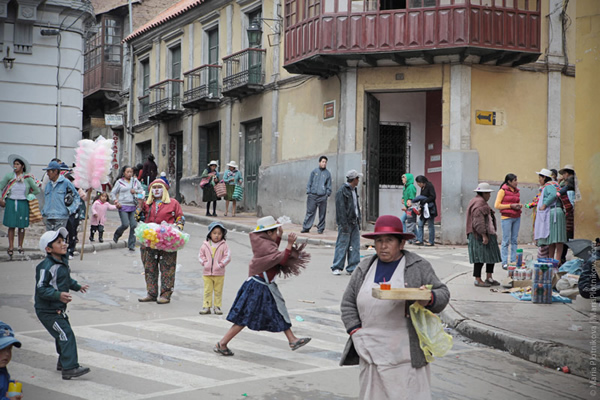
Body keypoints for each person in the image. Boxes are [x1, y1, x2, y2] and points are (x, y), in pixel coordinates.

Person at [340, 215, 450, 400]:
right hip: (371, 350)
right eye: (379, 241)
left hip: (406, 354)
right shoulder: (364, 267)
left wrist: (428, 297)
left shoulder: (418, 266)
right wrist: (356, 332)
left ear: (401, 244)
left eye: (389, 240)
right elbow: (347, 303)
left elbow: (443, 293)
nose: (383, 246)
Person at [214, 216, 311, 356]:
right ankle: (222, 343)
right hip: (257, 288)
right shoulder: (265, 245)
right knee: (243, 319)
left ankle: (292, 340)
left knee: (278, 310)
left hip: (262, 286)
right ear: (268, 233)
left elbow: (273, 251)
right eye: (273, 231)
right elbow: (281, 258)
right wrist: (289, 245)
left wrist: (279, 236)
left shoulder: (262, 242)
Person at [35, 228, 90, 380]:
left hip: (57, 309)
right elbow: (41, 289)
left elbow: (65, 280)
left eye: (63, 241)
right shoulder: (46, 267)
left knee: (63, 334)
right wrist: (58, 295)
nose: (64, 244)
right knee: (65, 334)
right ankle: (70, 368)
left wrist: (77, 286)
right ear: (48, 249)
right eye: (58, 242)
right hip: (47, 311)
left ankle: (64, 362)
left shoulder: (61, 262)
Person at [138, 178, 184, 304]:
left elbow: (180, 217)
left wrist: (178, 227)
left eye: (159, 187)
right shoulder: (147, 204)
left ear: (164, 190)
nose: (156, 190)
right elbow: (138, 217)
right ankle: (151, 293)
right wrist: (140, 205)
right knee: (149, 267)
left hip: (167, 240)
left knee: (167, 267)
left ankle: (165, 294)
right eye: (154, 188)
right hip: (149, 241)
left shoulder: (173, 203)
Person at [0, 154, 41, 259]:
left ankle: (20, 246)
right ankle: (10, 246)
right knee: (11, 225)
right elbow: (1, 186)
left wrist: (29, 196)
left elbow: (36, 190)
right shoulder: (9, 176)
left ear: (22, 166)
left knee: (21, 226)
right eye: (14, 164)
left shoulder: (27, 178)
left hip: (23, 203)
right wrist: (1, 198)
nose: (15, 166)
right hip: (11, 202)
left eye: (17, 164)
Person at [466, 183, 502, 287]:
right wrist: (484, 235)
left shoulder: (477, 201)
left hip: (488, 233)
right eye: (488, 193)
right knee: (480, 257)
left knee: (491, 256)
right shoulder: (479, 204)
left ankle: (489, 277)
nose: (490, 196)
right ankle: (478, 279)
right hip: (479, 234)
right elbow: (478, 222)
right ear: (484, 193)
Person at [331, 170, 362, 275]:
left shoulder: (354, 190)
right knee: (342, 244)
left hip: (354, 221)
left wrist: (359, 219)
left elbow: (355, 206)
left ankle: (353, 267)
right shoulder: (342, 191)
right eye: (358, 178)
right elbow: (341, 209)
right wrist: (343, 224)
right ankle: (337, 267)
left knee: (355, 245)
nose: (359, 180)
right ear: (354, 179)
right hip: (346, 222)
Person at [533, 168, 566, 263]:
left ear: (544, 177)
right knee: (551, 239)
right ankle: (551, 259)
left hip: (554, 213)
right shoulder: (552, 185)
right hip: (551, 213)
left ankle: (557, 260)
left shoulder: (549, 186)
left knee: (558, 238)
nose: (539, 180)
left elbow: (553, 195)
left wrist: (544, 204)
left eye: (540, 177)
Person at [198, 221, 231, 315]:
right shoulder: (205, 245)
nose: (217, 235)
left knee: (218, 291)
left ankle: (217, 306)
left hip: (219, 274)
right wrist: (205, 263)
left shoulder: (224, 245)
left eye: (219, 233)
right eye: (214, 233)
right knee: (207, 290)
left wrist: (220, 265)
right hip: (207, 273)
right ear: (210, 234)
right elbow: (200, 255)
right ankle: (206, 306)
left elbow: (227, 256)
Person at [111, 165, 144, 251]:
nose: (129, 174)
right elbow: (113, 193)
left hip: (133, 206)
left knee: (133, 225)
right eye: (127, 172)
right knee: (125, 224)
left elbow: (142, 192)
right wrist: (116, 201)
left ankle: (131, 244)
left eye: (131, 172)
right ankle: (117, 234)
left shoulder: (136, 181)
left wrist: (136, 192)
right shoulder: (120, 182)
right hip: (122, 206)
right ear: (123, 173)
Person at [41, 160, 80, 232]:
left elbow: (76, 197)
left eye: (49, 171)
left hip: (61, 216)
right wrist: (44, 211)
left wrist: (70, 209)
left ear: (55, 171)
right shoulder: (48, 185)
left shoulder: (66, 183)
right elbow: (46, 199)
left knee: (58, 239)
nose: (47, 174)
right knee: (50, 240)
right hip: (49, 216)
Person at [494, 173, 522, 269]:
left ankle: (513, 261)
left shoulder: (517, 191)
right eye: (515, 181)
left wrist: (519, 205)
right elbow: (497, 205)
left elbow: (517, 201)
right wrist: (510, 206)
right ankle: (504, 262)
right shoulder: (502, 191)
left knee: (514, 240)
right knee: (506, 240)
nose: (516, 182)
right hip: (506, 218)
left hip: (516, 217)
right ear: (509, 182)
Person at [301, 156, 332, 234]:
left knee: (322, 213)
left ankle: (320, 228)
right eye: (323, 162)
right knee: (310, 212)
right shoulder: (314, 172)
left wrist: (327, 194)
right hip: (312, 196)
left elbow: (329, 185)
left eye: (325, 162)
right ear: (319, 162)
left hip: (322, 197)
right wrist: (309, 192)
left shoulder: (327, 174)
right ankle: (306, 227)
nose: (324, 163)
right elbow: (309, 182)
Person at [0, 321, 23, 400]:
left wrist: (12, 385)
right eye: (2, 349)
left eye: (9, 349)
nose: (7, 354)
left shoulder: (2, 369)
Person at [558, 164, 576, 263]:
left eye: (564, 174)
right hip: (571, 214)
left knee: (567, 236)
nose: (563, 176)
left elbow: (561, 192)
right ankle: (562, 257)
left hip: (570, 214)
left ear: (567, 173)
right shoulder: (571, 182)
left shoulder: (570, 182)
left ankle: (562, 257)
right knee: (568, 236)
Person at [414, 175, 437, 247]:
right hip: (424, 209)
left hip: (430, 209)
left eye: (419, 183)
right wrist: (420, 206)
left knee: (430, 225)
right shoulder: (422, 188)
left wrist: (425, 201)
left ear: (422, 182)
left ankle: (431, 241)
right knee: (420, 224)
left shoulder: (429, 186)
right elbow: (421, 198)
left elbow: (433, 196)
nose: (418, 185)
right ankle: (420, 240)